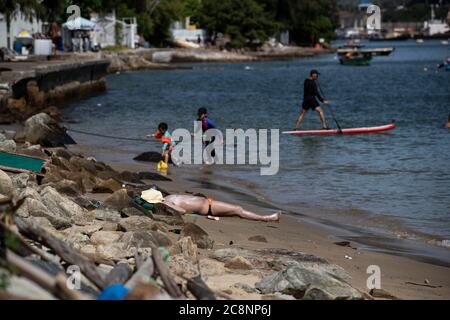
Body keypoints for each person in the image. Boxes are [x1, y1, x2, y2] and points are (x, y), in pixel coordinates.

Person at [162, 194, 281, 222]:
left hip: (208, 203)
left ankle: (266, 217)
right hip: (208, 207)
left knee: (237, 211)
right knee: (238, 210)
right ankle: (267, 218)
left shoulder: (168, 196)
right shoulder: (166, 201)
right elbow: (182, 211)